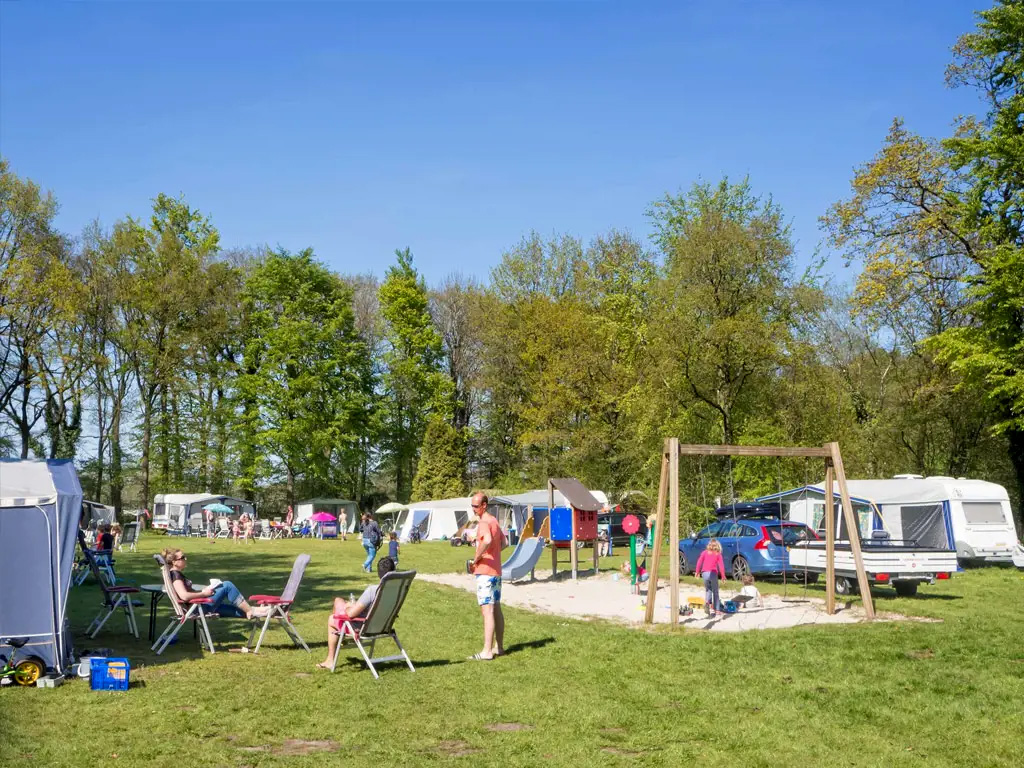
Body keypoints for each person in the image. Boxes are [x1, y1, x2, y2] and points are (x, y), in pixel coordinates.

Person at [317, 556, 396, 670]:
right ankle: (340, 637)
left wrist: (348, 607)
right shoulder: (395, 591)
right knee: (338, 600)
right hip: (383, 625)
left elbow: (350, 615)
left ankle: (330, 660)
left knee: (332, 618)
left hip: (362, 627)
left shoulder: (373, 590)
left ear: (379, 573)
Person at [160, 547, 270, 619]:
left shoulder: (175, 574)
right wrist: (204, 594)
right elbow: (184, 596)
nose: (185, 559)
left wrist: (206, 591)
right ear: (174, 562)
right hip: (198, 608)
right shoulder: (176, 575)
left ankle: (267, 612)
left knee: (237, 610)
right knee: (227, 585)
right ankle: (251, 610)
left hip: (199, 606)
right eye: (182, 557)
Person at [468, 492, 505, 661]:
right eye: (472, 505)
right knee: (496, 608)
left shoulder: (484, 521)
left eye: (476, 506)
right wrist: (493, 554)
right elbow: (504, 543)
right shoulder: (494, 521)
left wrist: (477, 558)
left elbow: (488, 540)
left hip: (485, 571)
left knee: (487, 610)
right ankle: (500, 647)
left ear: (484, 505)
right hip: (496, 571)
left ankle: (487, 651)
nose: (473, 509)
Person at [694, 538, 726, 617]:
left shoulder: (704, 552)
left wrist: (697, 572)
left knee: (708, 590)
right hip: (713, 574)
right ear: (718, 546)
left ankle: (707, 603)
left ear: (709, 545)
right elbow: (721, 566)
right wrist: (723, 576)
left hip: (704, 573)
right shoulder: (718, 554)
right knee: (715, 591)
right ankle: (717, 610)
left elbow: (699, 562)